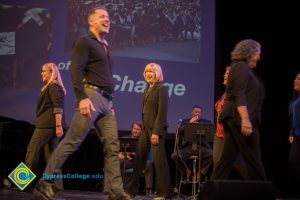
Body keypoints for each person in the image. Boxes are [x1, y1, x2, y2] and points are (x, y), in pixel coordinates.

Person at [33, 7, 132, 200]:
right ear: (91, 22)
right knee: (72, 141)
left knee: (112, 146)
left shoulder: (104, 45)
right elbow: (76, 70)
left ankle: (115, 191)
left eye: (108, 17)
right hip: (92, 97)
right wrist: (82, 98)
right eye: (102, 16)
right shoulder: (84, 42)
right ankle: (45, 182)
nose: (107, 20)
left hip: (107, 103)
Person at [210, 39, 267, 180]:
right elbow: (238, 94)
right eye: (258, 53)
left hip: (237, 119)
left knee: (225, 161)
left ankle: (208, 195)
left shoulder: (246, 70)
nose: (259, 57)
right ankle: (263, 193)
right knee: (254, 160)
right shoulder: (240, 66)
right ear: (250, 52)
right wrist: (245, 119)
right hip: (239, 120)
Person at [125, 63, 172, 200]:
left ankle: (164, 193)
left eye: (151, 71)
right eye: (146, 71)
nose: (148, 73)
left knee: (159, 161)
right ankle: (130, 191)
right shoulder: (148, 88)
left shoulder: (162, 88)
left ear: (157, 73)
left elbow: (162, 112)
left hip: (156, 130)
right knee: (139, 159)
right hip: (145, 129)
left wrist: (156, 132)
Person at [213, 66, 248, 179]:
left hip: (229, 134)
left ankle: (262, 186)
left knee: (238, 163)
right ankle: (216, 192)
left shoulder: (235, 93)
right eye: (225, 72)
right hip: (218, 134)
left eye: (227, 73)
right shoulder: (225, 94)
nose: (224, 75)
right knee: (217, 163)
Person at [171, 105, 213, 183]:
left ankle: (200, 173)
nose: (198, 114)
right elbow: (177, 132)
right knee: (175, 156)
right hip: (187, 147)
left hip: (201, 147)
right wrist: (190, 123)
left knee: (212, 155)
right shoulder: (184, 122)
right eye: (196, 112)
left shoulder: (207, 122)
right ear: (192, 113)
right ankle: (186, 171)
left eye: (199, 112)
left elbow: (210, 134)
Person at [119, 121, 154, 196]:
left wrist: (132, 154)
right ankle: (120, 188)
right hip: (128, 162)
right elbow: (118, 151)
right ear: (131, 129)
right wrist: (121, 154)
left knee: (148, 163)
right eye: (134, 128)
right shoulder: (125, 139)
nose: (135, 131)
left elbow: (145, 154)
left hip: (139, 162)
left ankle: (149, 190)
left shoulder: (145, 141)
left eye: (138, 129)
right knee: (120, 162)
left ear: (141, 131)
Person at [288, 71, 300, 190]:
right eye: (295, 78)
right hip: (296, 137)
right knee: (293, 160)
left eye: (298, 79)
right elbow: (293, 119)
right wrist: (291, 132)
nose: (295, 81)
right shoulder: (295, 100)